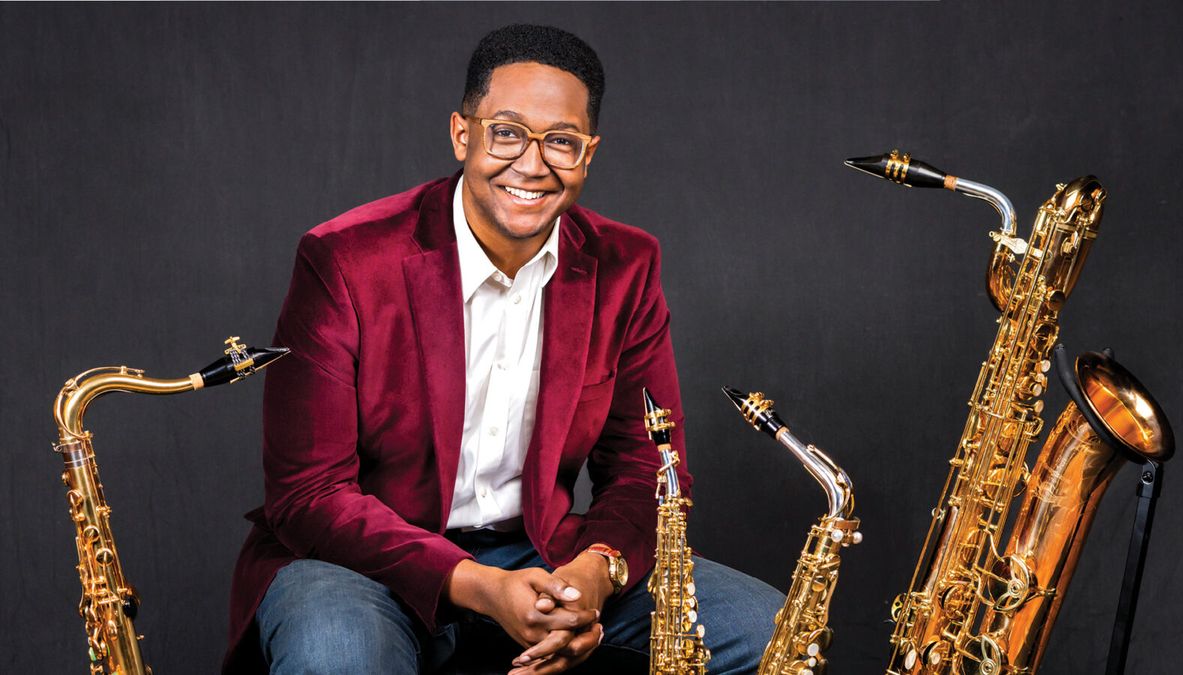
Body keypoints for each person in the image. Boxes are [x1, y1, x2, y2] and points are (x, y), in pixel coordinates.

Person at [223, 24, 783, 675]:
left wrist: (593, 575)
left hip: (543, 554)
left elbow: (648, 468)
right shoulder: (345, 259)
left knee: (765, 630)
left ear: (589, 153)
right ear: (462, 135)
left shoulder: (625, 265)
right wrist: (481, 586)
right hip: (358, 561)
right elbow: (310, 494)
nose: (533, 164)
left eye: (561, 141)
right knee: (339, 658)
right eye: (507, 132)